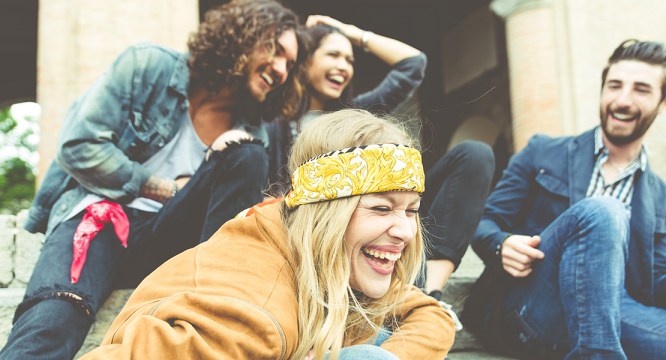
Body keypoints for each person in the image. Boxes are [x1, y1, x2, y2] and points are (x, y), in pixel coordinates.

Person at [0, 1, 304, 359]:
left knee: (247, 153)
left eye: (290, 63)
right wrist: (170, 189)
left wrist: (218, 162)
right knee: (54, 317)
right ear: (242, 36)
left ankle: (211, 302)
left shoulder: (251, 133)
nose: (282, 69)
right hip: (102, 218)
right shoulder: (148, 65)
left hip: (172, 246)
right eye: (275, 49)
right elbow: (78, 146)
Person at [80, 109, 455, 359]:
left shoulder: (312, 243)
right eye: (381, 208)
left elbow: (429, 313)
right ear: (325, 214)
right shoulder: (256, 322)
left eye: (411, 210)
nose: (406, 231)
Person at [460, 39, 666, 359]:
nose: (622, 100)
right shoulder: (542, 151)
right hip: (528, 308)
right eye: (614, 86)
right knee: (604, 210)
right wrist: (501, 244)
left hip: (615, 315)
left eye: (641, 89)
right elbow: (483, 221)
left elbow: (659, 297)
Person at [265, 15, 495, 301]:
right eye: (333, 55)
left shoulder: (358, 113)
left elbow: (413, 64)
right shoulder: (273, 125)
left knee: (475, 155)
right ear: (303, 62)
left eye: (349, 60)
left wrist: (352, 33)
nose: (343, 66)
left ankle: (428, 293)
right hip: (318, 233)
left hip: (383, 215)